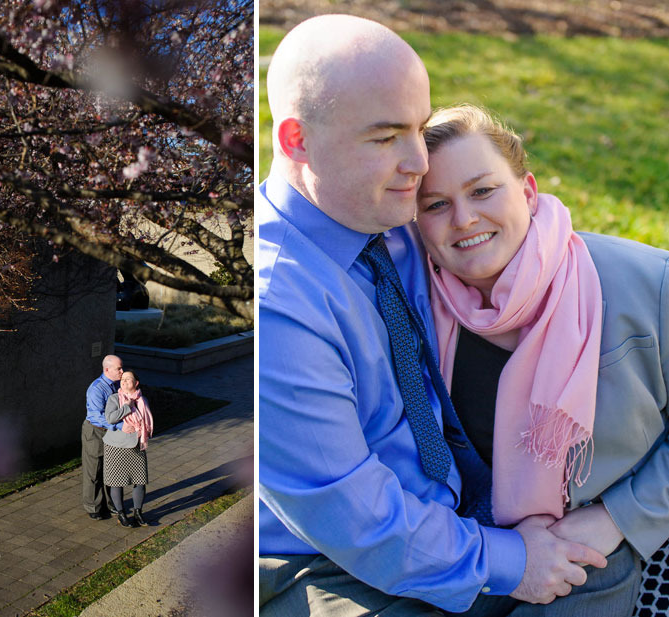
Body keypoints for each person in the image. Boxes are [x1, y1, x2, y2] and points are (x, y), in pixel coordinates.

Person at [258, 14, 606, 617]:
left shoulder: (389, 222)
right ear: (297, 141)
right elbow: (356, 520)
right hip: (331, 565)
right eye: (385, 136)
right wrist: (512, 562)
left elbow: (506, 229)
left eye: (419, 127)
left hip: (462, 511)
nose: (420, 163)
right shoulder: (277, 307)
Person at [414, 103, 669, 614]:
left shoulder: (650, 282)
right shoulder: (416, 313)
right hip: (491, 555)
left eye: (483, 190)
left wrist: (617, 518)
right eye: (436, 204)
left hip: (635, 549)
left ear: (528, 192)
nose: (464, 219)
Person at [103, 369, 154, 527]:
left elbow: (146, 420)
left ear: (136, 383)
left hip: (137, 445)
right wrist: (127, 406)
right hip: (116, 446)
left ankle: (138, 513)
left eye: (128, 379)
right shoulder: (114, 398)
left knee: (140, 481)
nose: (124, 382)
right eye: (122, 379)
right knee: (117, 482)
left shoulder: (142, 399)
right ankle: (121, 514)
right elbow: (110, 418)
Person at [82, 354, 124, 519]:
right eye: (118, 368)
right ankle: (93, 507)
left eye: (121, 367)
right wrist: (120, 426)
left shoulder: (116, 385)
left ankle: (110, 503)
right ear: (107, 369)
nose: (122, 371)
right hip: (95, 431)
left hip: (111, 432)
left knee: (111, 468)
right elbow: (97, 416)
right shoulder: (97, 388)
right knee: (94, 470)